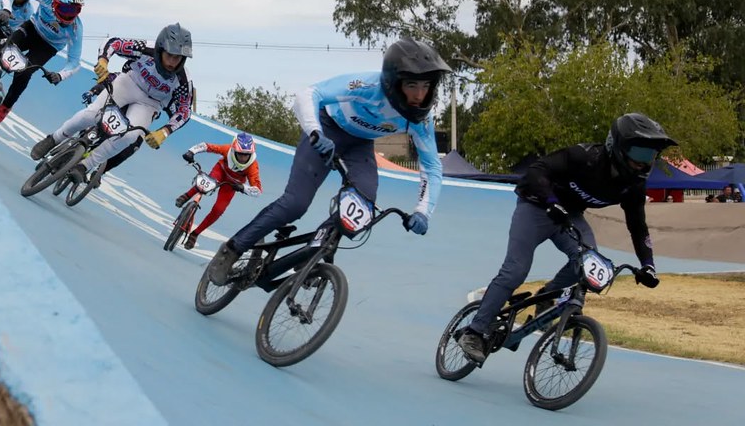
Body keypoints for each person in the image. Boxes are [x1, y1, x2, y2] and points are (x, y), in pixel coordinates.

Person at [206, 35, 451, 285]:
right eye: (411, 85)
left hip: (360, 146)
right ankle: (232, 250)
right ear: (393, 82)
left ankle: (310, 255)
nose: (419, 94)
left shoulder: (422, 120)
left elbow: (432, 166)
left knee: (362, 211)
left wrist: (423, 211)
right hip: (327, 128)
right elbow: (308, 94)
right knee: (295, 204)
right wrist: (315, 132)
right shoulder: (367, 86)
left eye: (426, 86)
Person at [457, 113, 676, 364]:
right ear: (617, 147)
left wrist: (648, 265)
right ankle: (474, 332)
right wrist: (551, 201)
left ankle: (548, 294)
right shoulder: (585, 157)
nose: (644, 162)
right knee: (515, 271)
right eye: (640, 153)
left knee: (590, 262)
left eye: (651, 155)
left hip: (569, 216)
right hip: (536, 206)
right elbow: (536, 170)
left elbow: (638, 227)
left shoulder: (633, 186)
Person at [29, 23, 194, 185]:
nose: (172, 62)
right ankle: (55, 138)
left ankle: (85, 166)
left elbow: (185, 112)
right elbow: (113, 43)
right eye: (169, 55)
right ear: (159, 50)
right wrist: (103, 60)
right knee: (93, 114)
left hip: (150, 104)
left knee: (129, 136)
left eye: (178, 57)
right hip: (128, 83)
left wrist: (165, 132)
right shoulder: (145, 49)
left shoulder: (183, 81)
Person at [176, 133, 264, 250]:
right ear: (233, 150)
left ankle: (195, 234)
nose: (243, 158)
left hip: (233, 185)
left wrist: (243, 188)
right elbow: (206, 146)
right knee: (205, 184)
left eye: (246, 155)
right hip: (220, 171)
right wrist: (191, 152)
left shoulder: (253, 166)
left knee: (218, 209)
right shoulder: (227, 149)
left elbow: (258, 190)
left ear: (251, 154)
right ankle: (186, 196)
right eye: (240, 154)